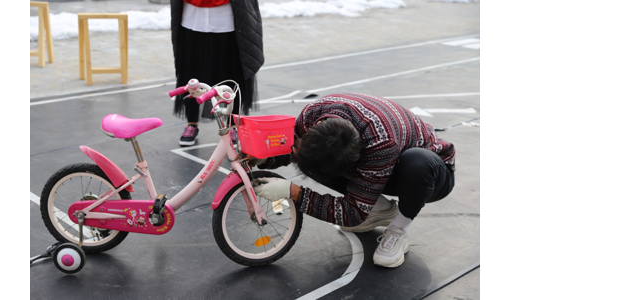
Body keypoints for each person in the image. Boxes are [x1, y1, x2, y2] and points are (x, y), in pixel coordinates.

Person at [252, 93, 456, 268]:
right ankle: (379, 209)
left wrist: (294, 193)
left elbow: (353, 213)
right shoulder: (312, 114)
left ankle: (399, 228)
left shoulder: (381, 143)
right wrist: (264, 157)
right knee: (315, 164)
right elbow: (292, 147)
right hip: (379, 165)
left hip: (431, 176)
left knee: (417, 162)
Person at [171, 0, 263, 146]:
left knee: (233, 75)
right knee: (191, 74)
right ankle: (191, 124)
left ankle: (233, 126)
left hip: (228, 22)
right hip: (193, 19)